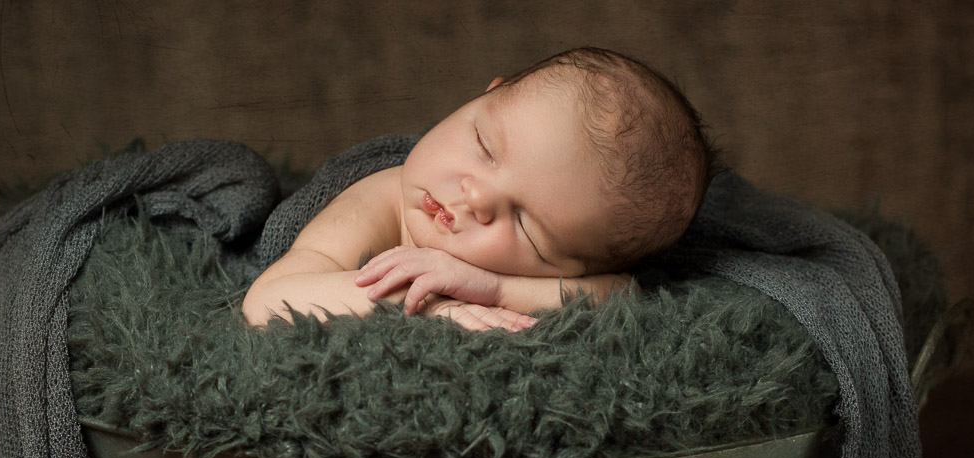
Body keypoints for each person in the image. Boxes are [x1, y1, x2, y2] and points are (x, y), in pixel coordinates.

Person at [241, 47, 713, 332]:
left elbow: (620, 293)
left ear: (575, 264)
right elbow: (269, 299)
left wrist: (496, 289)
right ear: (484, 95)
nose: (478, 198)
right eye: (484, 147)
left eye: (527, 225)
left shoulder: (558, 268)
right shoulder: (379, 202)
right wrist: (424, 305)